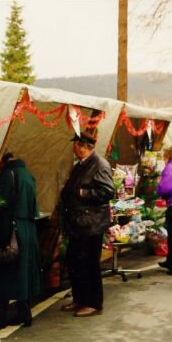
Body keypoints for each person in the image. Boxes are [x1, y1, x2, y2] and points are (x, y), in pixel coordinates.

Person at [0, 152, 42, 328]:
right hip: (27, 231)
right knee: (23, 273)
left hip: (10, 231)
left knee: (5, 272)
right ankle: (25, 314)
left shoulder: (7, 175)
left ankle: (0, 319)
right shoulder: (27, 174)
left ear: (3, 160)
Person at [60, 131, 115, 317]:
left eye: (75, 145)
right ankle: (79, 299)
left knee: (89, 264)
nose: (73, 148)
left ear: (83, 146)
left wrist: (84, 194)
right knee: (75, 262)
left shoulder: (99, 165)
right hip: (79, 223)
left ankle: (94, 303)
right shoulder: (82, 164)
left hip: (91, 224)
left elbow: (108, 192)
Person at [156, 145, 172, 275]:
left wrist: (158, 190)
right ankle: (170, 261)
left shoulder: (169, 167)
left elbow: (166, 188)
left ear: (167, 156)